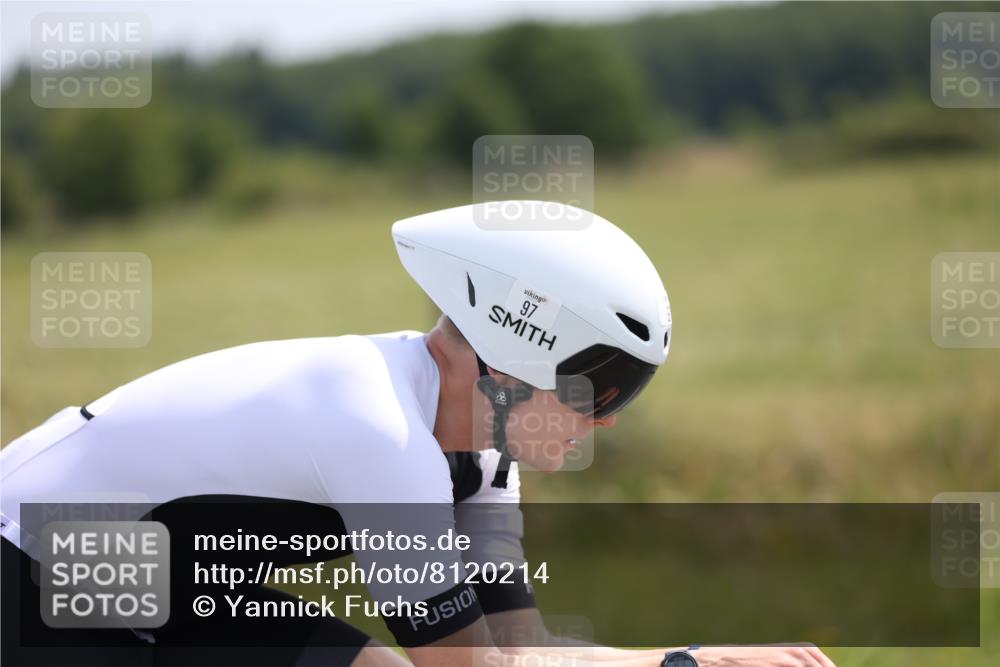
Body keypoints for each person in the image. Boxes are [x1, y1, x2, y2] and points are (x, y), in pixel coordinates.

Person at [1, 202, 835, 667]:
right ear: (512, 358)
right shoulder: (379, 425)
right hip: (29, 574)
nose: (609, 417)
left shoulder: (482, 461)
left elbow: (518, 648)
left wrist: (697, 656)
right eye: (596, 388)